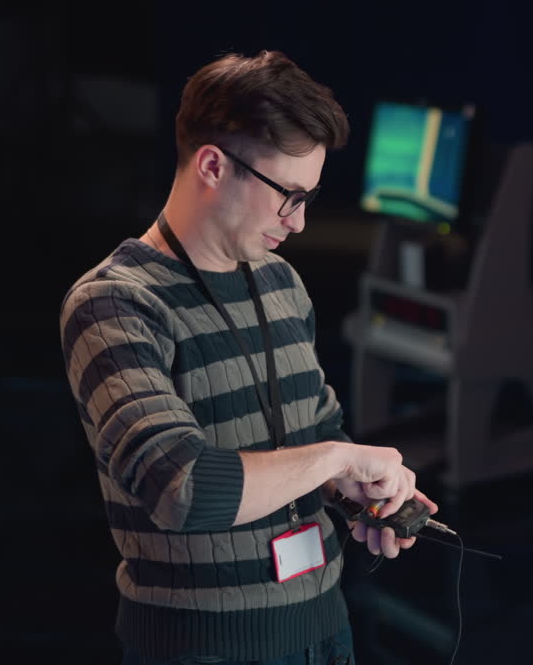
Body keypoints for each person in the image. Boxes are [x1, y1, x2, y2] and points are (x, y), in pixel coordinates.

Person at [59, 50, 435, 665]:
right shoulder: (114, 302)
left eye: (309, 197)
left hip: (325, 634)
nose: (300, 222)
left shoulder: (281, 281)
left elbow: (316, 439)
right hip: (200, 650)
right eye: (289, 195)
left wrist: (363, 492)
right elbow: (181, 488)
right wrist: (337, 458)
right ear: (213, 165)